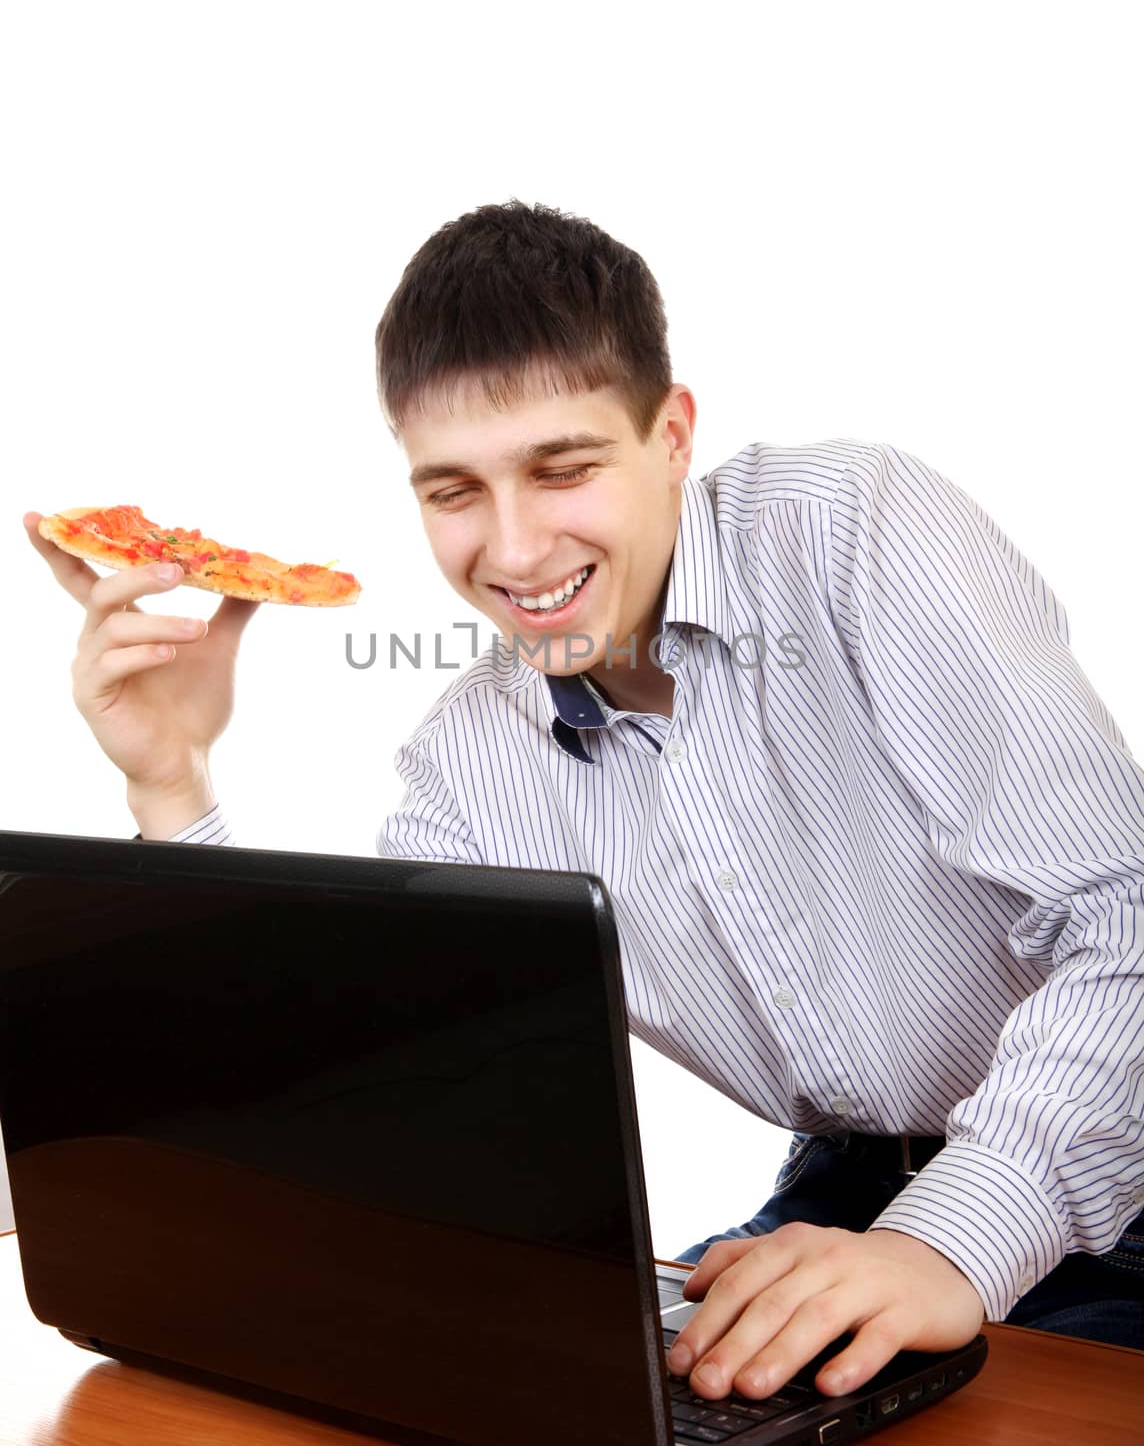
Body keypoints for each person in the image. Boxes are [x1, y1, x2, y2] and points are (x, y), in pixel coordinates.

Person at [24, 201, 1144, 1398]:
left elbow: (1124, 914)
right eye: (453, 492)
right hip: (848, 1198)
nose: (512, 551)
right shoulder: (465, 768)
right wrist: (172, 779)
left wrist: (943, 1240)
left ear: (671, 434)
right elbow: (371, 1105)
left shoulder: (856, 530)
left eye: (561, 470)